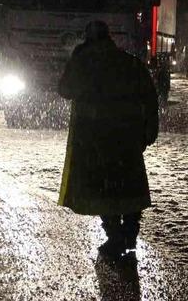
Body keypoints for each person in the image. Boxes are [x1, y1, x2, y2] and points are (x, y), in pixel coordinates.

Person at [57, 20, 159, 259]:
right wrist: (149, 129)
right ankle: (130, 233)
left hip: (94, 137)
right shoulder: (129, 63)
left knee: (103, 188)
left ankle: (115, 236)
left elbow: (65, 90)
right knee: (129, 185)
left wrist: (75, 58)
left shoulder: (83, 63)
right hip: (127, 136)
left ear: (88, 39)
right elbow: (149, 97)